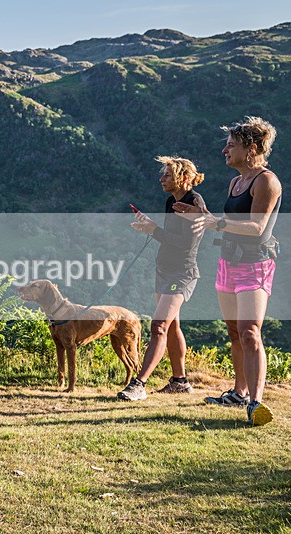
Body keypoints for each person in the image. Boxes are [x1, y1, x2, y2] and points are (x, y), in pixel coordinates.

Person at [175, 116, 281, 426]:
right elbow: (226, 221)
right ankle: (239, 393)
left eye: (231, 145)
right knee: (234, 331)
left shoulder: (266, 181)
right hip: (228, 262)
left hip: (255, 265)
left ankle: (257, 403)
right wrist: (202, 215)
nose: (225, 150)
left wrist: (215, 222)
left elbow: (257, 228)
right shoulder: (237, 182)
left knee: (250, 332)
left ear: (251, 148)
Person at [118, 157, 206, 401]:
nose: (161, 179)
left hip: (181, 274)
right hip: (164, 270)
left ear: (183, 178)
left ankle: (139, 384)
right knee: (172, 325)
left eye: (167, 175)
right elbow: (169, 237)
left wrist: (153, 230)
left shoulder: (194, 203)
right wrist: (151, 228)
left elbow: (186, 245)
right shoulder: (171, 201)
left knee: (159, 326)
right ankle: (180, 381)